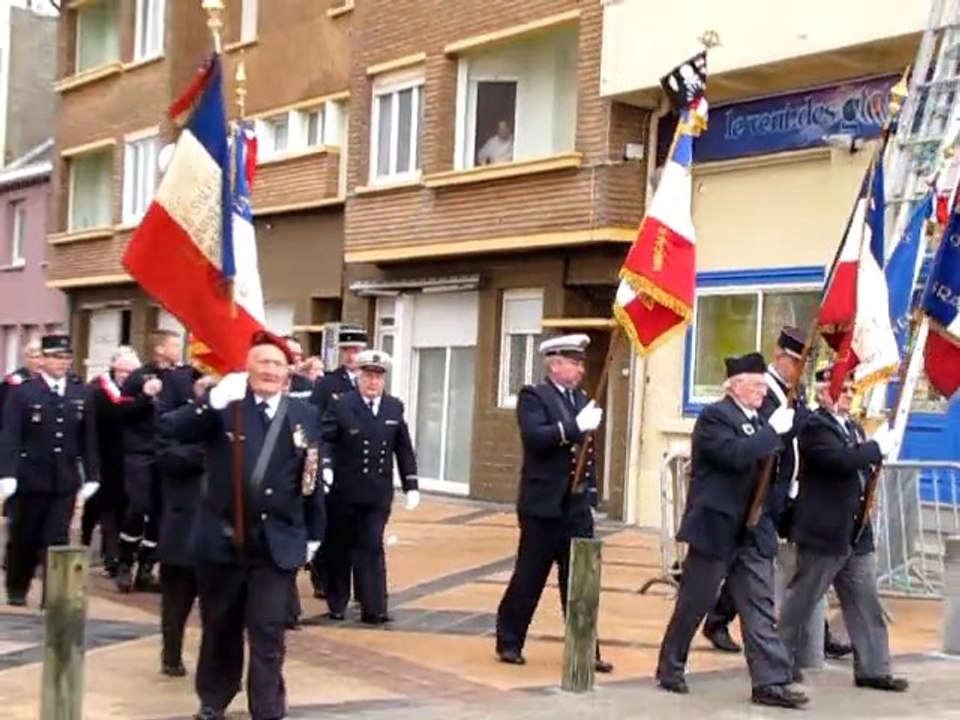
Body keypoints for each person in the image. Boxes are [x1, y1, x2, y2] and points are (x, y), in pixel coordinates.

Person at [160, 331, 326, 720]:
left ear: (289, 374)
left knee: (268, 630)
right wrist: (211, 401)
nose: (269, 370)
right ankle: (214, 697)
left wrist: (315, 531)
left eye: (277, 364)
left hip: (277, 541)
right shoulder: (226, 407)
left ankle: (267, 708)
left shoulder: (304, 415)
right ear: (247, 367)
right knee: (220, 625)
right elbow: (173, 428)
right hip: (223, 539)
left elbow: (311, 476)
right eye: (262, 362)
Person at [655, 352, 807, 708]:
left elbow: (789, 438)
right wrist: (773, 432)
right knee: (696, 602)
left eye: (762, 385)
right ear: (734, 387)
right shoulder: (714, 418)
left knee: (759, 607)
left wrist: (793, 417)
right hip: (716, 528)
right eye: (754, 386)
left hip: (753, 531)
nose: (760, 391)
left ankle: (770, 682)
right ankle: (670, 666)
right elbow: (735, 455)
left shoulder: (764, 418)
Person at [701, 327, 852, 660]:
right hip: (762, 493)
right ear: (780, 355)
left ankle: (815, 629)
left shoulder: (790, 392)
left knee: (794, 562)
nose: (799, 370)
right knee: (754, 562)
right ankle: (718, 619)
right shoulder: (763, 392)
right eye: (795, 362)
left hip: (788, 491)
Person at [779, 365, 907, 692]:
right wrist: (874, 449)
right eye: (843, 389)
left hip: (856, 530)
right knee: (801, 601)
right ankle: (777, 663)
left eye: (852, 389)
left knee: (865, 602)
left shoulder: (852, 426)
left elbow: (860, 464)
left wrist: (876, 455)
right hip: (824, 530)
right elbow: (838, 461)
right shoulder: (813, 426)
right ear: (823, 391)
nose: (850, 394)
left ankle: (873, 669)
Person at [494, 334, 613, 673]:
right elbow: (536, 438)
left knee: (579, 581)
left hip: (575, 507)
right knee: (529, 577)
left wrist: (589, 492)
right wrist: (575, 427)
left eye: (580, 364)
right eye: (573, 363)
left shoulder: (582, 399)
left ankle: (586, 648)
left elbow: (587, 455)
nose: (579, 369)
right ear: (555, 364)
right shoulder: (534, 397)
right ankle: (510, 640)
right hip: (542, 505)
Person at [320, 349, 419, 624]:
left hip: (377, 492)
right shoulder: (342, 405)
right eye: (367, 376)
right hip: (344, 491)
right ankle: (337, 600)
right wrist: (326, 467)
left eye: (377, 377)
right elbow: (326, 439)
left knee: (371, 545)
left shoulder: (393, 407)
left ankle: (374, 607)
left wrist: (411, 483)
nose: (372, 382)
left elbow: (403, 448)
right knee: (339, 546)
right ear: (358, 377)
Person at [0, 334, 100, 606]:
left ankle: (52, 597)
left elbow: (87, 438)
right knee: (24, 537)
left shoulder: (80, 393)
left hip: (63, 479)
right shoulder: (24, 392)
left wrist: (92, 475)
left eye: (66, 358)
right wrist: (7, 473)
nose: (62, 363)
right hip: (29, 478)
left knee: (55, 539)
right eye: (56, 357)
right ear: (43, 359)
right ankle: (18, 587)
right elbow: (11, 435)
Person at [116, 329, 194, 593]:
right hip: (141, 451)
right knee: (140, 505)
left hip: (168, 450)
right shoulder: (139, 377)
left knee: (163, 510)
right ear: (160, 349)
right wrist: (144, 397)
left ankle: (147, 567)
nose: (177, 349)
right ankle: (125, 562)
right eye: (173, 344)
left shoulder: (184, 376)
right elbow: (123, 413)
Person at [156, 366, 211, 678]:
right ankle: (171, 653)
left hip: (217, 530)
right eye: (205, 386)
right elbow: (168, 458)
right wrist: (205, 452)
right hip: (183, 523)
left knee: (217, 609)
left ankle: (215, 665)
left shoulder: (231, 422)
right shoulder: (176, 421)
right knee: (176, 601)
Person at [306, 325, 368, 599]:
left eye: (356, 350)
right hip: (335, 463)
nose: (352, 355)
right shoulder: (328, 384)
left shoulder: (371, 380)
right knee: (332, 528)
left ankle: (361, 586)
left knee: (363, 534)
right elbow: (314, 422)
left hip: (362, 465)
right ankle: (325, 579)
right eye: (347, 350)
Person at [84, 346, 140, 577]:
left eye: (131, 372)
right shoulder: (98, 392)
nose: (126, 376)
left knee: (126, 508)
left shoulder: (140, 393)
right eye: (123, 371)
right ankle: (111, 555)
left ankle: (116, 554)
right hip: (106, 457)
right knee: (106, 507)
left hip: (130, 459)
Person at [282, 336, 315, 401]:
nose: (297, 358)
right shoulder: (265, 379)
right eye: (293, 354)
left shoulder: (305, 383)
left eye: (299, 354)